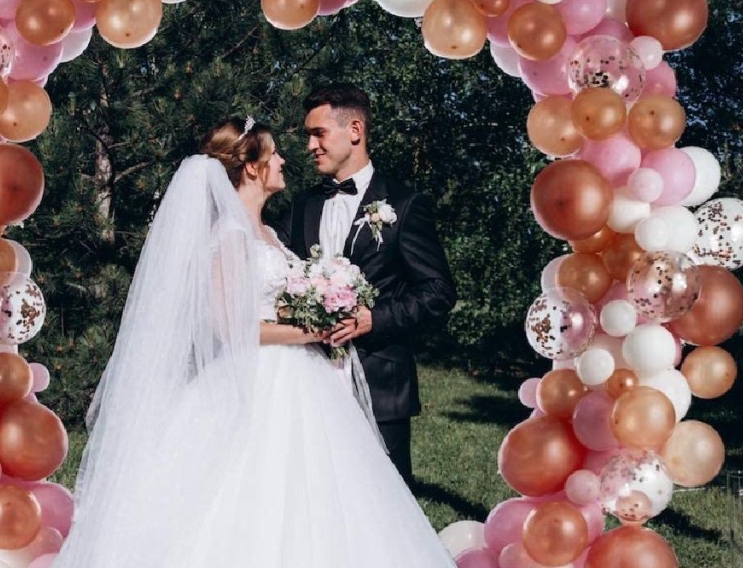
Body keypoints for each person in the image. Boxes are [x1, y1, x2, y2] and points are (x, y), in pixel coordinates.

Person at [54, 117, 457, 567]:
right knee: (250, 491)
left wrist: (322, 307)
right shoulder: (230, 235)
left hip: (306, 375)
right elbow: (232, 328)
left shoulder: (271, 234)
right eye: (274, 153)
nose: (286, 158)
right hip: (259, 380)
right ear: (251, 167)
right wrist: (315, 330)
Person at [275, 84, 456, 483]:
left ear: (354, 130)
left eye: (317, 133)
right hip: (310, 383)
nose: (309, 146)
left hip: (381, 385)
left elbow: (438, 291)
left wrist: (375, 318)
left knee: (386, 509)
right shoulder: (303, 205)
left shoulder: (404, 204)